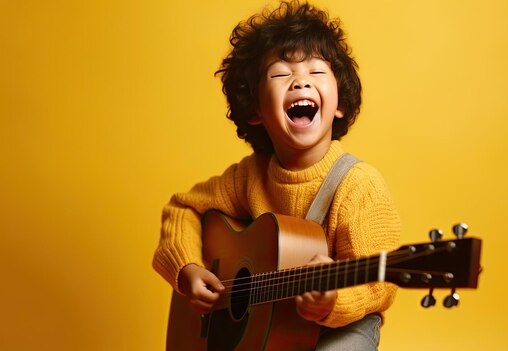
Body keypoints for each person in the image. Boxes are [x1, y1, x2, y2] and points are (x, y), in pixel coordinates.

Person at [153, 1, 402, 349]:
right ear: (255, 109)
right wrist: (187, 269)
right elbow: (184, 208)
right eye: (281, 74)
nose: (301, 81)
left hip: (340, 327)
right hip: (269, 330)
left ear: (340, 102)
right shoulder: (249, 177)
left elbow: (381, 285)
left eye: (317, 72)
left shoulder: (359, 186)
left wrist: (334, 301)